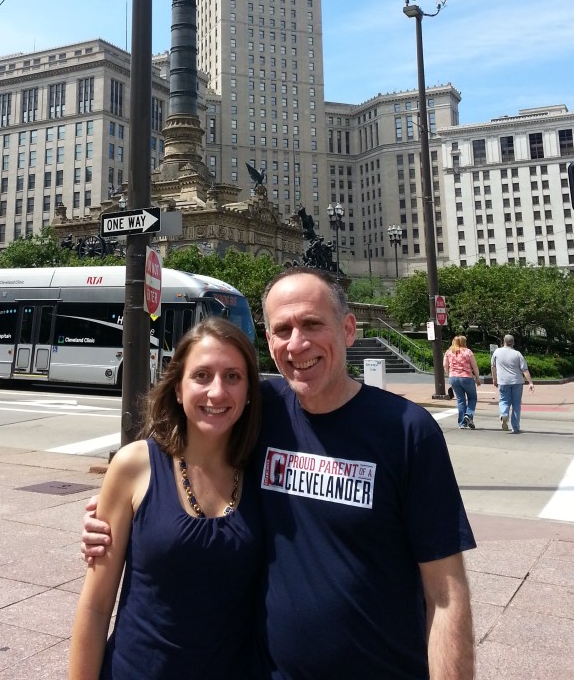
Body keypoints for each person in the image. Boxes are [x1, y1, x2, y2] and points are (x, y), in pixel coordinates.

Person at [82, 268, 476, 680]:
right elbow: (184, 452)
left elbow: (446, 595)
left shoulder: (407, 430)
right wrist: (113, 514)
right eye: (282, 329)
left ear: (348, 328)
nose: (297, 343)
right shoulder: (259, 412)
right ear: (268, 342)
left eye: (311, 324)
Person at [69, 318, 262, 680]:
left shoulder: (263, 471)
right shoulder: (135, 465)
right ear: (177, 388)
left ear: (250, 390)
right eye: (201, 375)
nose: (217, 392)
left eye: (233, 377)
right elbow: (96, 607)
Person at [491, 333, 534, 434]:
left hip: (503, 381)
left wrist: (494, 379)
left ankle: (504, 414)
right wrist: (530, 382)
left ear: (504, 341)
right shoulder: (517, 354)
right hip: (517, 381)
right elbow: (525, 369)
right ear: (513, 343)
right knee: (516, 404)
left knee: (503, 401)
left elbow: (493, 367)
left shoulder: (497, 352)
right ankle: (515, 427)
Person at [443, 334, 482, 429]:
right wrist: (477, 377)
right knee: (472, 398)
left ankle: (462, 423)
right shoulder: (468, 352)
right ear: (463, 342)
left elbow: (445, 365)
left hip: (453, 377)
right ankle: (468, 415)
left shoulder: (448, 352)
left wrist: (450, 375)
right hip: (466, 377)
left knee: (461, 400)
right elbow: (475, 366)